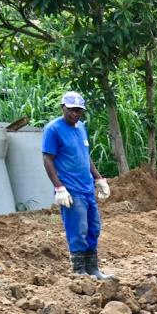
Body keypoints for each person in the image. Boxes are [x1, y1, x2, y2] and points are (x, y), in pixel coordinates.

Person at [41, 91, 113, 280]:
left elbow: (85, 155)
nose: (75, 114)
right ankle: (79, 271)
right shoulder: (53, 129)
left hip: (87, 187)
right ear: (63, 107)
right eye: (71, 110)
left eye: (79, 110)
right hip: (71, 188)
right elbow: (47, 158)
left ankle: (93, 269)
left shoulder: (81, 127)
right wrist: (59, 188)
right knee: (78, 229)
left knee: (93, 228)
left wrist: (98, 179)